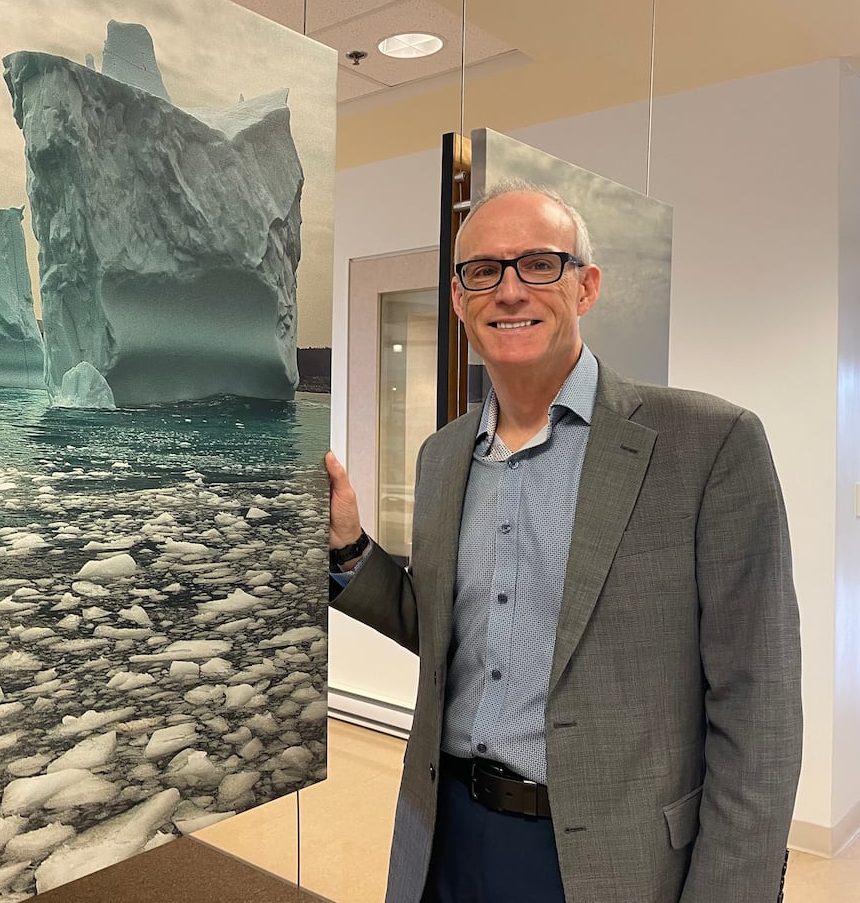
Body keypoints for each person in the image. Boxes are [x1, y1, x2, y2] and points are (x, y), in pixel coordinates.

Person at [325, 181, 802, 903]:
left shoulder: (708, 445)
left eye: (539, 264)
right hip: (446, 834)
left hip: (614, 858)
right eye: (483, 270)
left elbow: (757, 706)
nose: (509, 290)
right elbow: (449, 632)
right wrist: (351, 548)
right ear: (459, 301)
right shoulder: (444, 455)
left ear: (587, 287)